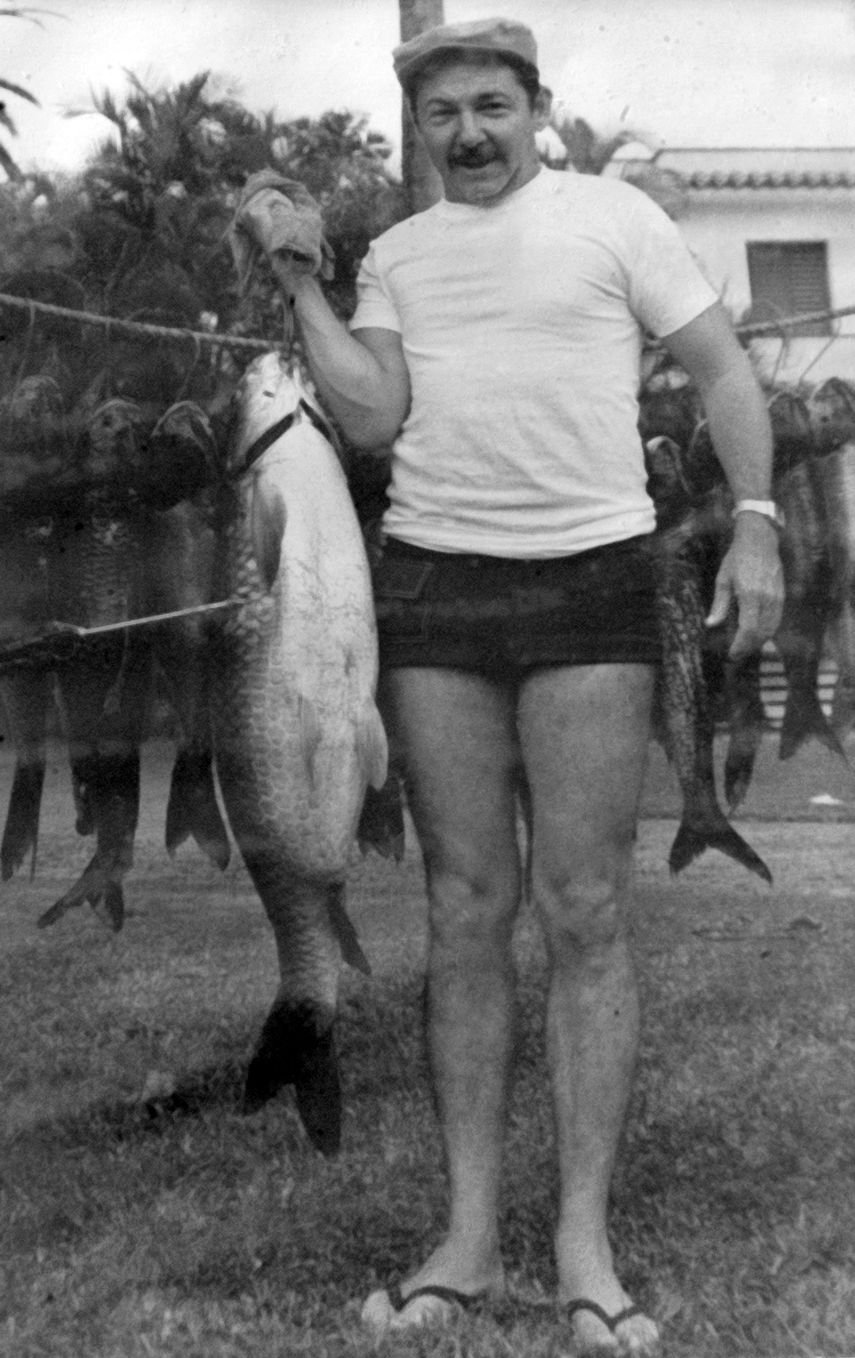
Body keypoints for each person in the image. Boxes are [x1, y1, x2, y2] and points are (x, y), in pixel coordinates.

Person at [269, 18, 784, 1356]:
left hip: (592, 588)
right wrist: (302, 284)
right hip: (435, 590)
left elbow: (726, 368)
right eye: (442, 114)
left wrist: (761, 519)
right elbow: (372, 417)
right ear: (421, 129)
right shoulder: (395, 253)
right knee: (463, 906)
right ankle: (469, 1239)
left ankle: (583, 1246)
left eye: (490, 105)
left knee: (587, 906)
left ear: (535, 108)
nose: (468, 133)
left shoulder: (613, 218)